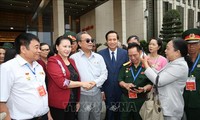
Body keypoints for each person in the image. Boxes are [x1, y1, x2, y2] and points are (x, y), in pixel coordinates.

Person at [0, 33, 52, 120]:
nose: (39, 51)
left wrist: (48, 113)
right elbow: (1, 100)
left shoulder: (38, 66)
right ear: (23, 49)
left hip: (43, 116)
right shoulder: (8, 68)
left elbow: (43, 92)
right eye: (36, 47)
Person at [141, 37, 189, 120]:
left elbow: (158, 80)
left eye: (168, 49)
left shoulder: (180, 66)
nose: (165, 51)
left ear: (177, 52)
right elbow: (160, 75)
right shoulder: (173, 63)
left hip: (171, 109)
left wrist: (146, 65)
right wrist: (149, 66)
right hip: (164, 107)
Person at [47, 35, 93, 120]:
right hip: (59, 103)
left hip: (72, 102)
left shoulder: (71, 61)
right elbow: (63, 83)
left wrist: (77, 101)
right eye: (64, 46)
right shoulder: (53, 61)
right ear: (57, 47)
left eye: (69, 46)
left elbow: (75, 79)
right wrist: (83, 84)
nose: (67, 49)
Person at [70, 31, 108, 120]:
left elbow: (104, 74)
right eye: (87, 40)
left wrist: (94, 82)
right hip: (82, 95)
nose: (91, 42)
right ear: (79, 43)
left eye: (92, 40)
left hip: (96, 93)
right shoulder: (73, 58)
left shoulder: (99, 57)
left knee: (96, 117)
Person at [98, 30, 128, 120]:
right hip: (107, 90)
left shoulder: (125, 53)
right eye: (110, 40)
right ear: (106, 41)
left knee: (120, 114)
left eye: (114, 39)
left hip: (121, 90)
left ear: (118, 40)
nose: (112, 42)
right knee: (109, 114)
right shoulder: (100, 54)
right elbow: (98, 73)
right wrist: (101, 90)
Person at [118, 43, 152, 120]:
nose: (132, 58)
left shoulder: (146, 66)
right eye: (130, 56)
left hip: (141, 100)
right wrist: (125, 85)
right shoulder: (125, 66)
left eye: (135, 55)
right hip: (126, 100)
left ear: (140, 53)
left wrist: (144, 89)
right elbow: (120, 80)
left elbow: (151, 83)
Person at [182, 28, 200, 120]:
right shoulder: (181, 61)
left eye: (194, 43)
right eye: (188, 44)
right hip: (183, 102)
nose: (191, 46)